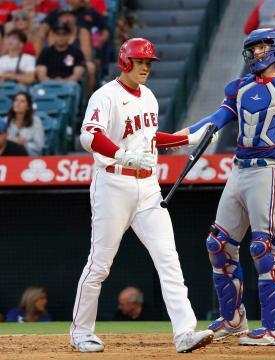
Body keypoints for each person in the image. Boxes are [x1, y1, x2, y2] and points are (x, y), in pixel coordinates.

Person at [176, 28, 275, 346]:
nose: (255, 53)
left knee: (263, 248)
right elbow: (216, 119)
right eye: (252, 48)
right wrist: (180, 136)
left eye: (261, 47)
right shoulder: (240, 86)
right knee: (218, 245)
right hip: (238, 170)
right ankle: (233, 319)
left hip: (267, 173)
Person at [70, 37, 215, 354]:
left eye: (149, 62)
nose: (146, 67)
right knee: (100, 265)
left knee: (169, 260)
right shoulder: (105, 96)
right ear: (125, 62)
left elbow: (148, 137)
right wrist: (123, 155)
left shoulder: (149, 96)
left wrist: (185, 139)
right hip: (113, 184)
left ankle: (184, 333)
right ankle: (81, 332)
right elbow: (89, 136)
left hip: (149, 187)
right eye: (140, 61)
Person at [6, 91, 44, 156]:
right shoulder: (5, 121)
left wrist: (25, 144)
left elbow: (39, 146)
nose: (18, 103)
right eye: (16, 100)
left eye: (22, 101)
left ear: (28, 107)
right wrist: (13, 142)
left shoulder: (36, 121)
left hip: (28, 154)